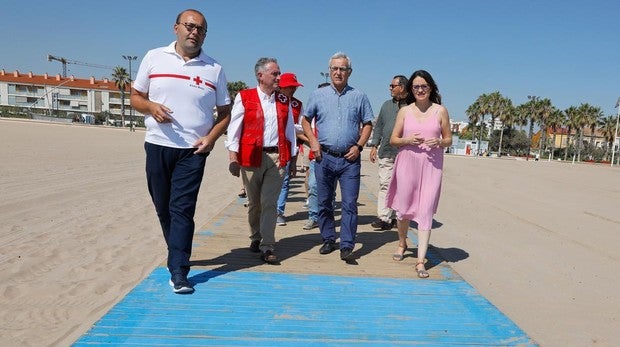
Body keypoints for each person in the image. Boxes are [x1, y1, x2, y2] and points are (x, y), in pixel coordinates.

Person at [130, 9, 231, 293]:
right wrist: (151, 107)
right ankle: (176, 250)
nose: (194, 32)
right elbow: (136, 97)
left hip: (192, 151)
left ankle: (179, 271)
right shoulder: (153, 57)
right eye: (189, 26)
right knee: (164, 208)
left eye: (200, 29)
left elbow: (225, 112)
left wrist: (210, 139)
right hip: (158, 145)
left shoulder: (214, 69)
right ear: (176, 28)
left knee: (182, 210)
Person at [302, 52, 374, 261]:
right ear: (330, 70)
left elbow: (368, 123)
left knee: (350, 203)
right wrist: (313, 142)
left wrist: (359, 146)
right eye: (334, 68)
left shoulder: (359, 96)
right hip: (324, 157)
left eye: (342, 69)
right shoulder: (318, 95)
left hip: (349, 159)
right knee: (324, 201)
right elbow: (306, 120)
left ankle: (347, 244)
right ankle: (327, 238)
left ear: (349, 72)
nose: (338, 72)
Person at [226, 57, 297, 265]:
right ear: (260, 75)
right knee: (254, 203)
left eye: (279, 73)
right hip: (251, 157)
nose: (278, 77)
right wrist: (233, 156)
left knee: (269, 203)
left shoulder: (284, 101)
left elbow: (290, 131)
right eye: (275, 74)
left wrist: (292, 160)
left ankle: (267, 245)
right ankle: (255, 237)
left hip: (277, 157)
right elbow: (235, 128)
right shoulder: (245, 96)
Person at [386, 70, 452, 278]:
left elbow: (449, 139)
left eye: (424, 86)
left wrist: (440, 142)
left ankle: (421, 260)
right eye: (416, 87)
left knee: (425, 211)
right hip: (407, 164)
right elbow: (393, 140)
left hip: (432, 167)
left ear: (431, 88)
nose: (420, 90)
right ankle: (402, 243)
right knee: (404, 209)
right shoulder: (404, 111)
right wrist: (407, 140)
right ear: (411, 90)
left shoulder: (440, 111)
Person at [368, 75, 408, 231]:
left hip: (405, 153)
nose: (390, 88)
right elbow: (378, 127)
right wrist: (374, 146)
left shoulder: (412, 106)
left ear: (402, 87)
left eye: (393, 86)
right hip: (386, 151)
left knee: (403, 187)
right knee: (385, 184)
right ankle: (384, 218)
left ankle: (399, 217)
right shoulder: (385, 105)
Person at [275, 72, 305, 226]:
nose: (293, 90)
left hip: (288, 149)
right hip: (271, 149)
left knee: (285, 181)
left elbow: (301, 128)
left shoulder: (297, 105)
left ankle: (279, 211)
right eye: (290, 87)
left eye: (295, 87)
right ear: (282, 86)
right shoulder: (271, 100)